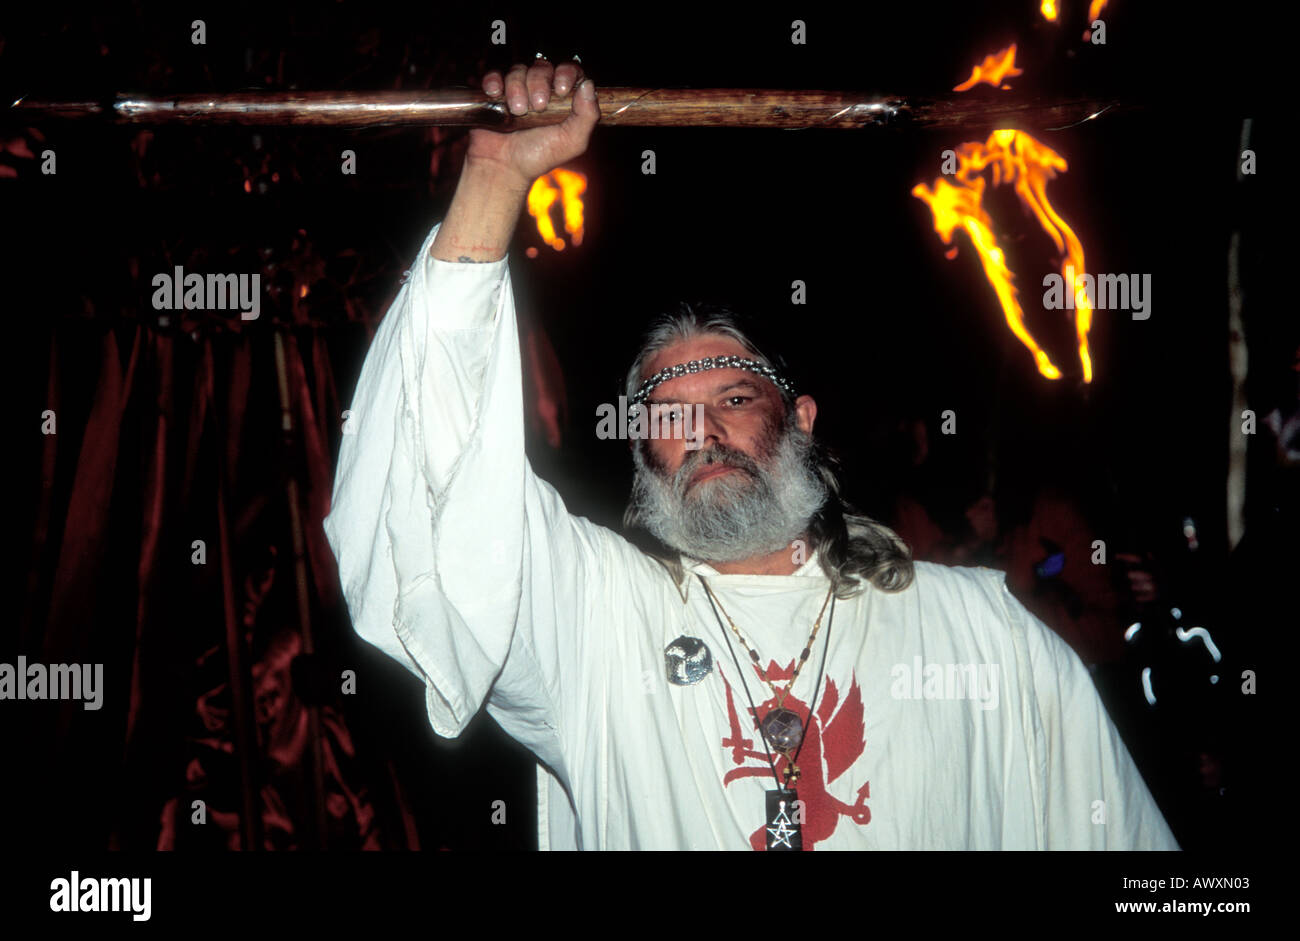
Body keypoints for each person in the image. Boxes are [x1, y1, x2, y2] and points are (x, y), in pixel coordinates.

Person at [323, 56, 1178, 850]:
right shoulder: (599, 623)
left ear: (801, 419)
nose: (703, 430)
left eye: (734, 399)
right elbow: (440, 486)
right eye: (667, 413)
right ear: (639, 459)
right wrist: (496, 176)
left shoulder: (981, 633)